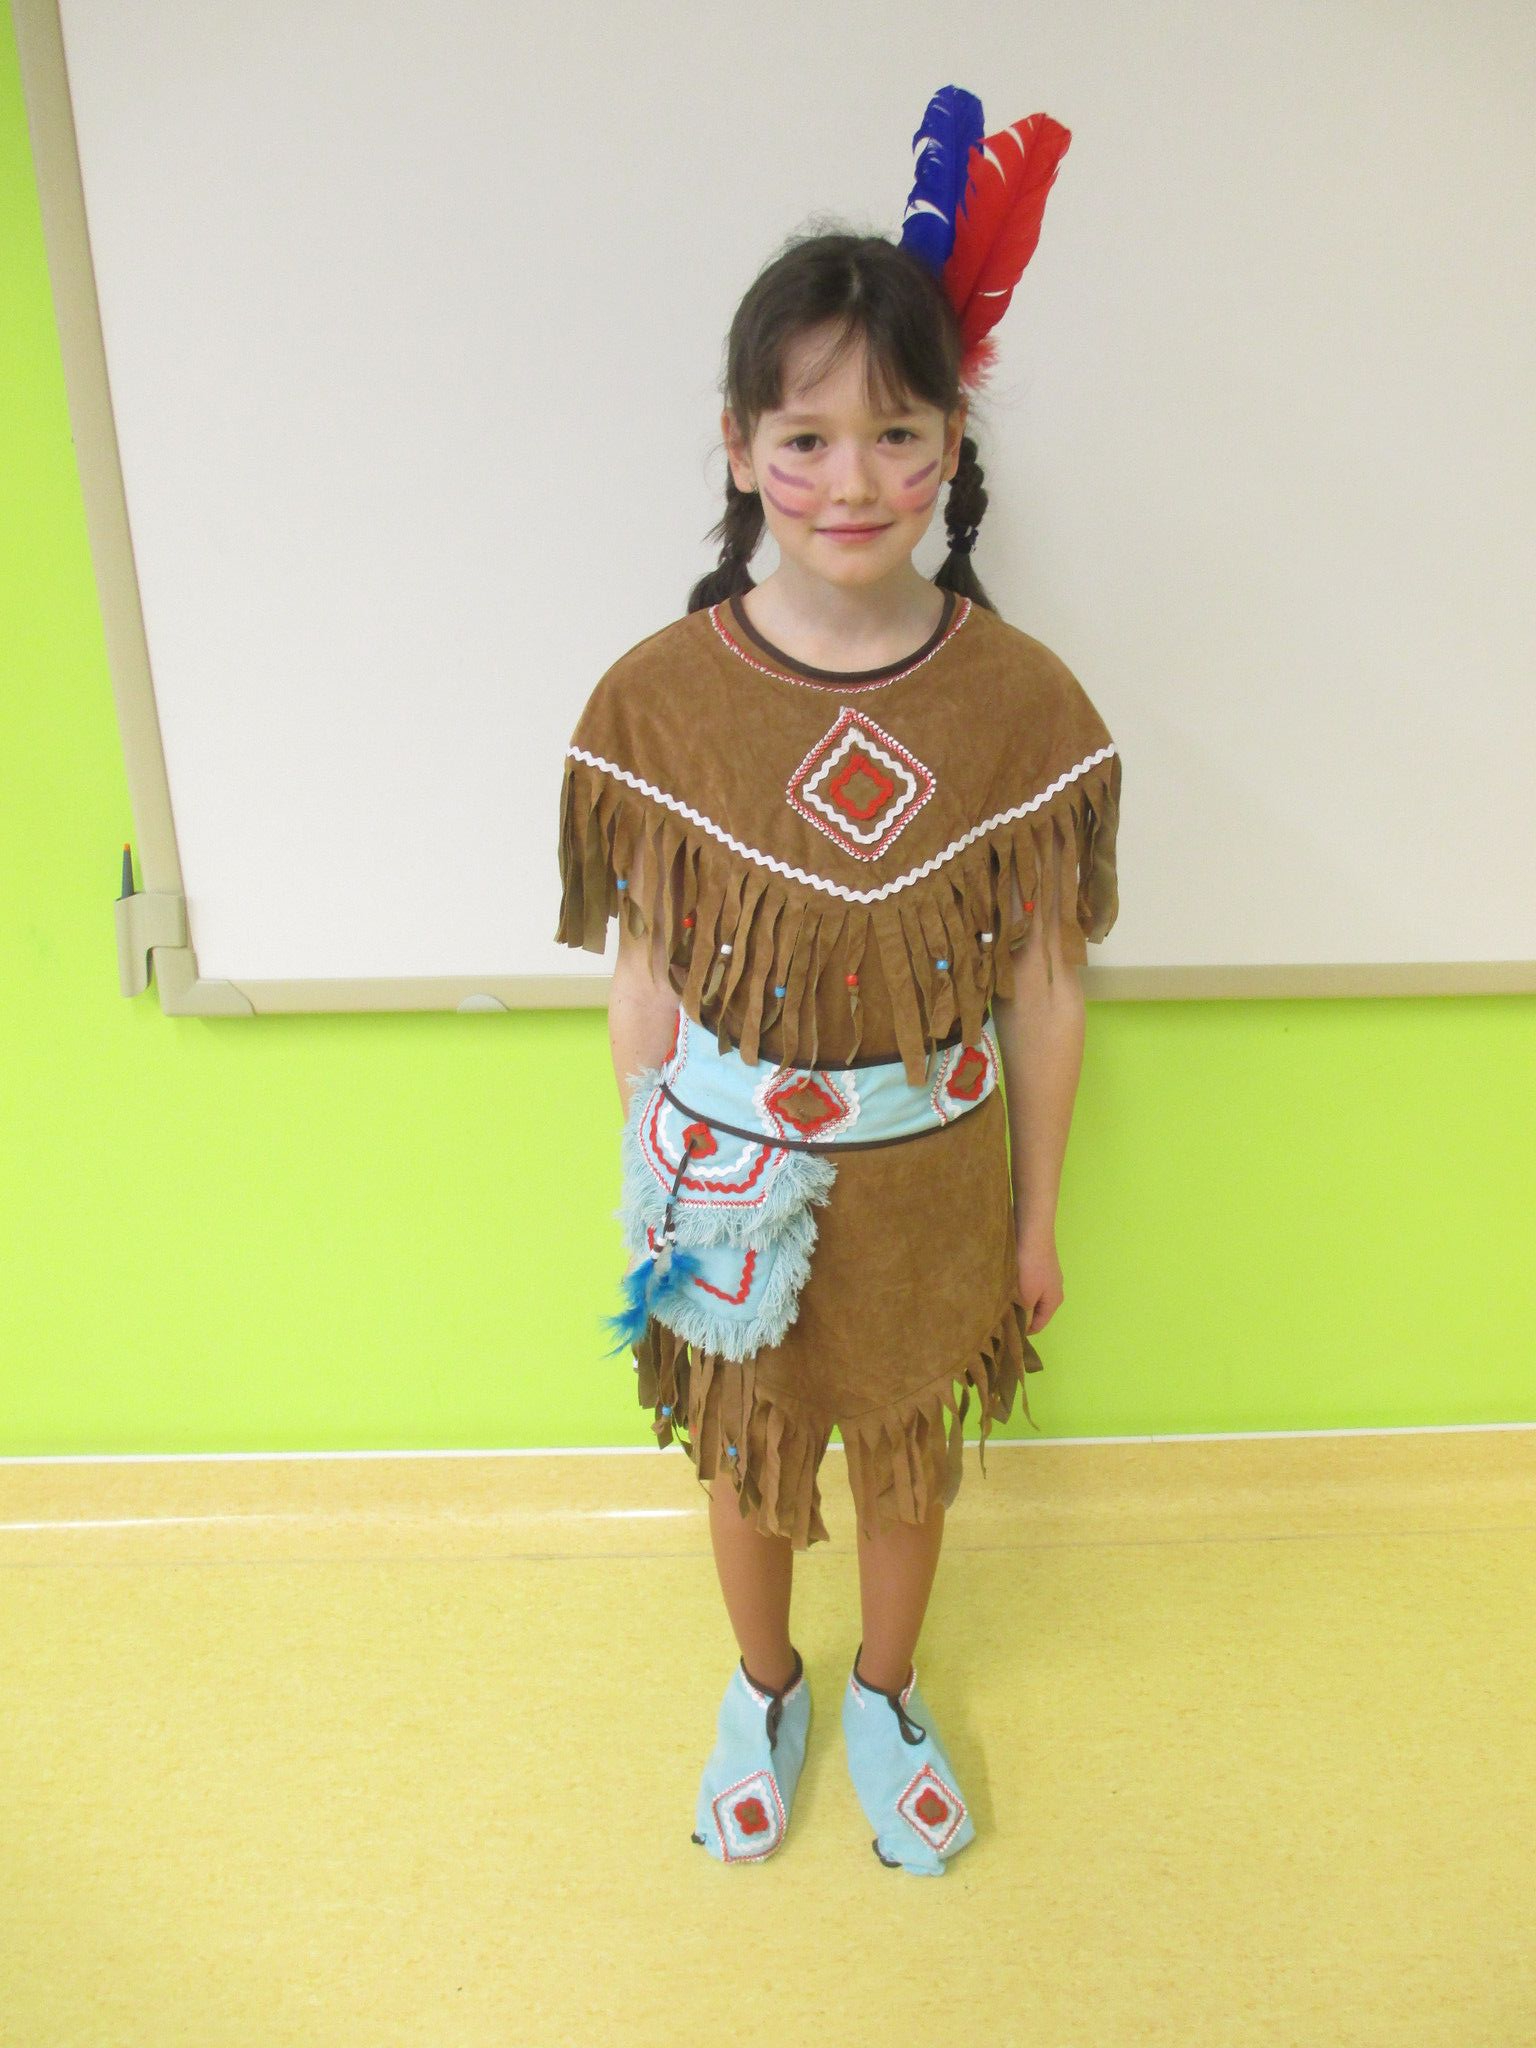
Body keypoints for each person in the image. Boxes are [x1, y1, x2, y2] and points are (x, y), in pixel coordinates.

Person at [554, 98, 1121, 1873]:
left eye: (896, 433)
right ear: (737, 448)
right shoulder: (660, 700)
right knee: (747, 1455)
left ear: (952, 445)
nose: (855, 481)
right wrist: (648, 1173)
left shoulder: (1022, 702)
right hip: (727, 1171)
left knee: (902, 1459)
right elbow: (645, 972)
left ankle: (884, 1691)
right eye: (807, 436)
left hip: (933, 1171)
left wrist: (1034, 1217)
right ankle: (763, 1686)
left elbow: (1045, 988)